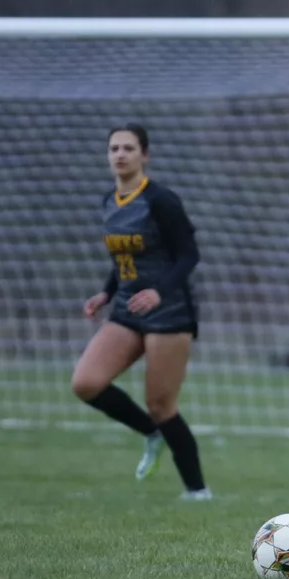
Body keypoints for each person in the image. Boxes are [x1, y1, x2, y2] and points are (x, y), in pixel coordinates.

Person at [69, 124, 209, 500]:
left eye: (128, 148)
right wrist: (106, 292)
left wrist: (158, 292)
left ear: (144, 155)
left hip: (170, 312)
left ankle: (197, 491)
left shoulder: (161, 200)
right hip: (127, 309)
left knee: (161, 405)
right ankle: (150, 434)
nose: (120, 154)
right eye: (114, 148)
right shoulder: (108, 202)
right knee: (86, 383)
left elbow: (188, 255)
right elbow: (123, 260)